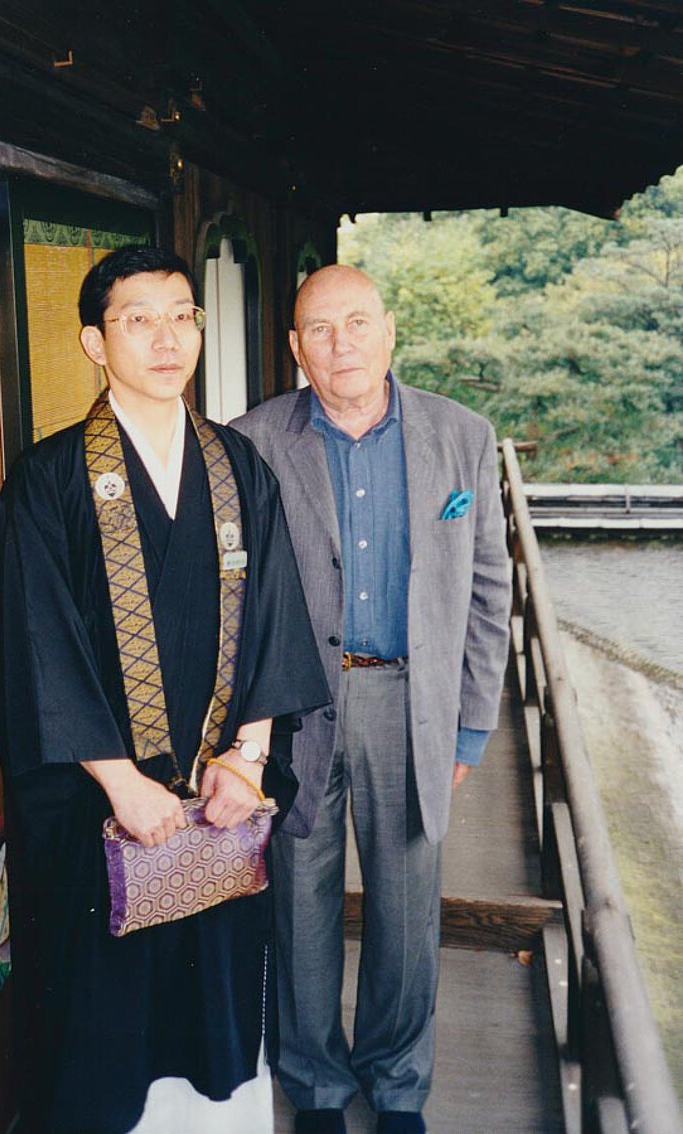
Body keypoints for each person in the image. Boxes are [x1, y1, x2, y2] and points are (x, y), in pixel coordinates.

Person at [0, 244, 329, 1134]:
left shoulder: (238, 466)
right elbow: (38, 647)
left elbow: (277, 614)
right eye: (139, 320)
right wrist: (122, 782)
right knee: (102, 1023)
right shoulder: (49, 480)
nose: (167, 339)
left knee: (217, 1001)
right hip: (100, 808)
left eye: (183, 316)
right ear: (95, 343)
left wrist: (249, 757)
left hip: (220, 799)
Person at [232, 264, 511, 1134]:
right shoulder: (251, 441)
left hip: (412, 701)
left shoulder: (462, 436)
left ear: (389, 330)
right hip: (296, 707)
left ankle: (397, 1087)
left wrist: (471, 728)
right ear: (295, 346)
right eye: (320, 328)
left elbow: (488, 590)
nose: (341, 343)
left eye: (357, 322)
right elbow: (232, 599)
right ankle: (314, 1085)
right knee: (298, 900)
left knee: (406, 905)